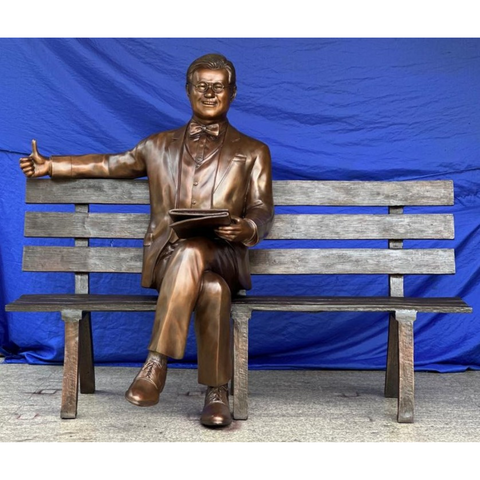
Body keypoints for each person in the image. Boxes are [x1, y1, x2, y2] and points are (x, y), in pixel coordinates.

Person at [19, 53, 274, 428]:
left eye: (217, 87)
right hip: (168, 261)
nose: (208, 93)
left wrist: (248, 229)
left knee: (200, 256)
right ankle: (217, 392)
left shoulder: (253, 151)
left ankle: (156, 363)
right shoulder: (158, 145)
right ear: (188, 90)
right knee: (211, 289)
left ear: (233, 93)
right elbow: (110, 165)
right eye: (201, 86)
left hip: (225, 255)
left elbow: (262, 209)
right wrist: (51, 165)